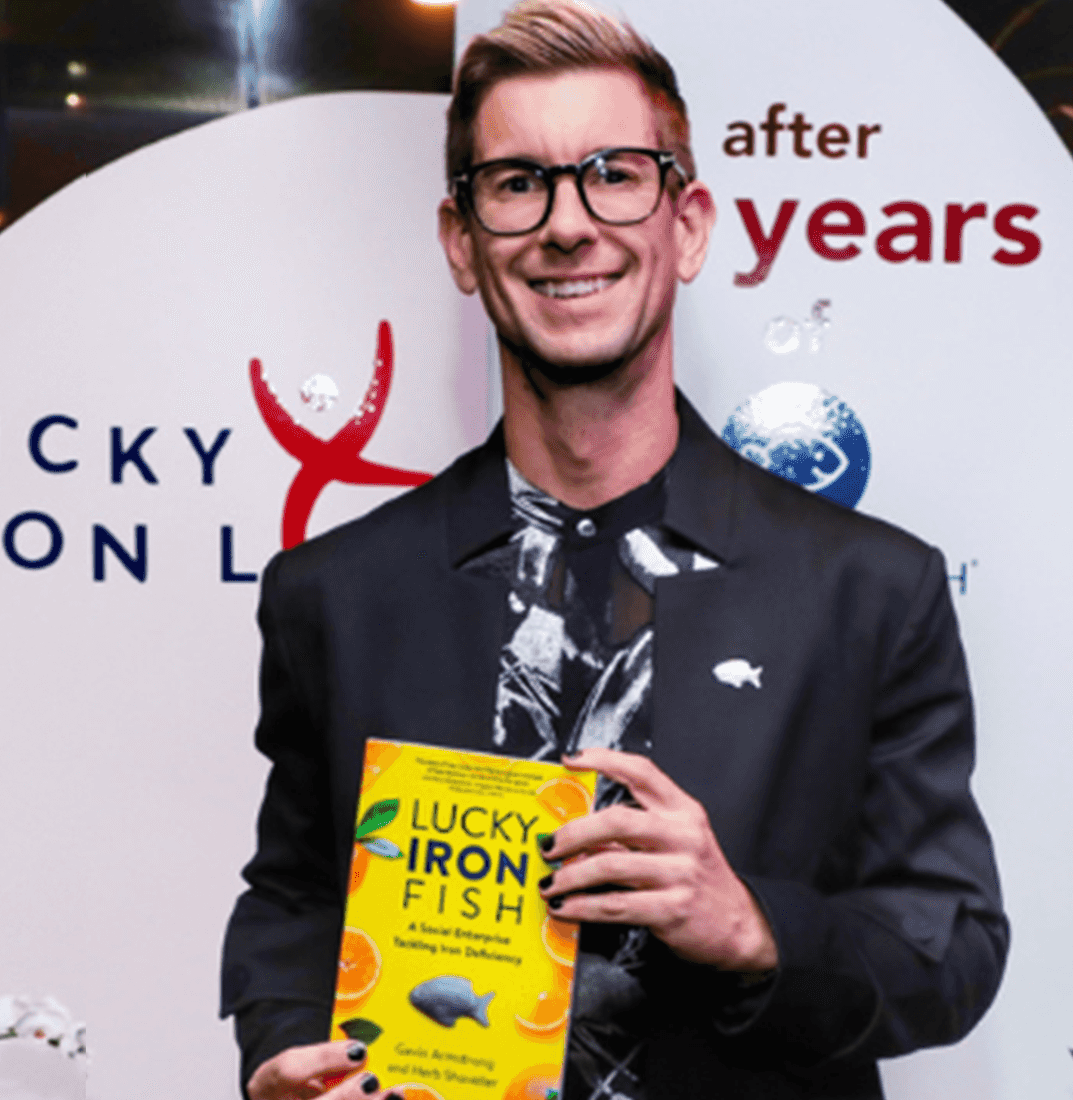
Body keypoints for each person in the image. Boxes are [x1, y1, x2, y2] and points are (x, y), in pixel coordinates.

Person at [217, 3, 1006, 1097]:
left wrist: (752, 925)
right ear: (462, 241)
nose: (567, 223)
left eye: (615, 173)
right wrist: (285, 1046)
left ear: (687, 224)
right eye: (516, 183)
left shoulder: (870, 588)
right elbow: (295, 895)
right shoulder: (336, 591)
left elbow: (951, 944)